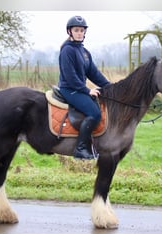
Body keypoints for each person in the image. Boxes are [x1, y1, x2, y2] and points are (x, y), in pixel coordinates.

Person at [58, 15, 110, 160]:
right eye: (76, 30)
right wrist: (87, 90)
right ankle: (80, 149)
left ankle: (92, 145)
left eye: (82, 30)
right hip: (69, 89)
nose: (80, 33)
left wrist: (110, 86)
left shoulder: (84, 52)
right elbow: (70, 77)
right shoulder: (67, 50)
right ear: (70, 32)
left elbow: (94, 73)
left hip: (78, 88)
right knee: (94, 113)